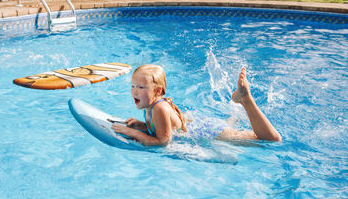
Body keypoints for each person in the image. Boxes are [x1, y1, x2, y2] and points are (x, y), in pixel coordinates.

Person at [111, 64, 281, 146]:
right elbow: (162, 128)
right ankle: (234, 114)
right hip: (200, 127)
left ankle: (246, 100)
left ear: (157, 91)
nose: (135, 91)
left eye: (141, 87)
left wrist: (133, 132)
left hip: (210, 133)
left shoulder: (159, 108)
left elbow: (163, 142)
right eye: (133, 86)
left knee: (271, 140)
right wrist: (142, 125)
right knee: (234, 128)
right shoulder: (152, 106)